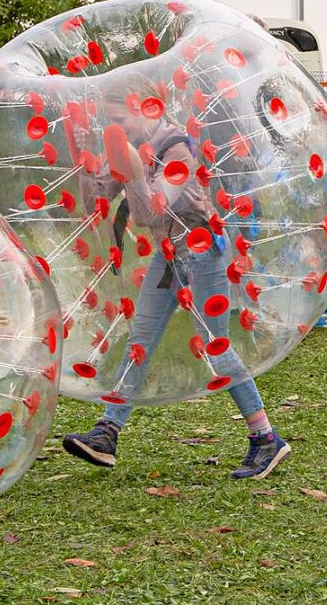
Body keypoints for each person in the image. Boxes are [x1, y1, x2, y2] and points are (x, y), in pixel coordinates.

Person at [62, 82, 291, 479]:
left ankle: (266, 439)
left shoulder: (176, 151)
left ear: (144, 108)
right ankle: (108, 433)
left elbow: (149, 211)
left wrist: (132, 170)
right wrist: (83, 162)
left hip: (202, 251)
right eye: (110, 123)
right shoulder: (135, 148)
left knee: (216, 347)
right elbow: (96, 200)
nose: (115, 128)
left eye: (118, 120)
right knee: (139, 343)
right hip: (169, 256)